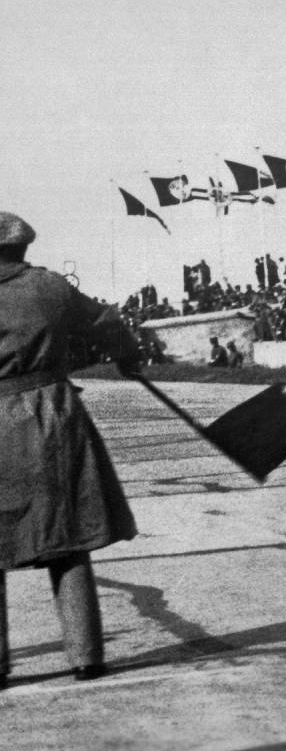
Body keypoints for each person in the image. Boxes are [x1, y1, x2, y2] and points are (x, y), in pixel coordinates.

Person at [0, 212, 139, 688]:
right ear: (21, 248)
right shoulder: (50, 287)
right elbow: (106, 321)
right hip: (52, 415)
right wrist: (127, 354)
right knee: (69, 536)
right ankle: (86, 657)